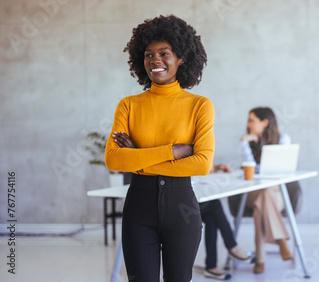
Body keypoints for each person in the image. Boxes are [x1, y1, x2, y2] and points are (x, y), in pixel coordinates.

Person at [105, 15, 213, 281]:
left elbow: (202, 164)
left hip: (182, 209)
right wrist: (173, 151)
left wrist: (138, 160)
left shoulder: (199, 105)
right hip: (138, 209)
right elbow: (113, 159)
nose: (155, 60)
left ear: (182, 58)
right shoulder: (128, 105)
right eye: (148, 54)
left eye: (164, 53)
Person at [239, 107, 293, 274]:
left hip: (276, 194)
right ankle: (280, 239)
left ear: (265, 122)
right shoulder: (248, 141)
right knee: (262, 195)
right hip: (253, 192)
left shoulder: (283, 139)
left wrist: (260, 168)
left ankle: (260, 260)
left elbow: (281, 169)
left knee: (261, 205)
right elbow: (248, 167)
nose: (248, 124)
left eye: (252, 120)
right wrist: (245, 144)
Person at [200, 165, 255, 280]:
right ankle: (232, 246)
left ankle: (211, 267)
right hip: (181, 208)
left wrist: (217, 167)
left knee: (211, 219)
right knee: (214, 204)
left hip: (192, 195)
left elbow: (201, 163)